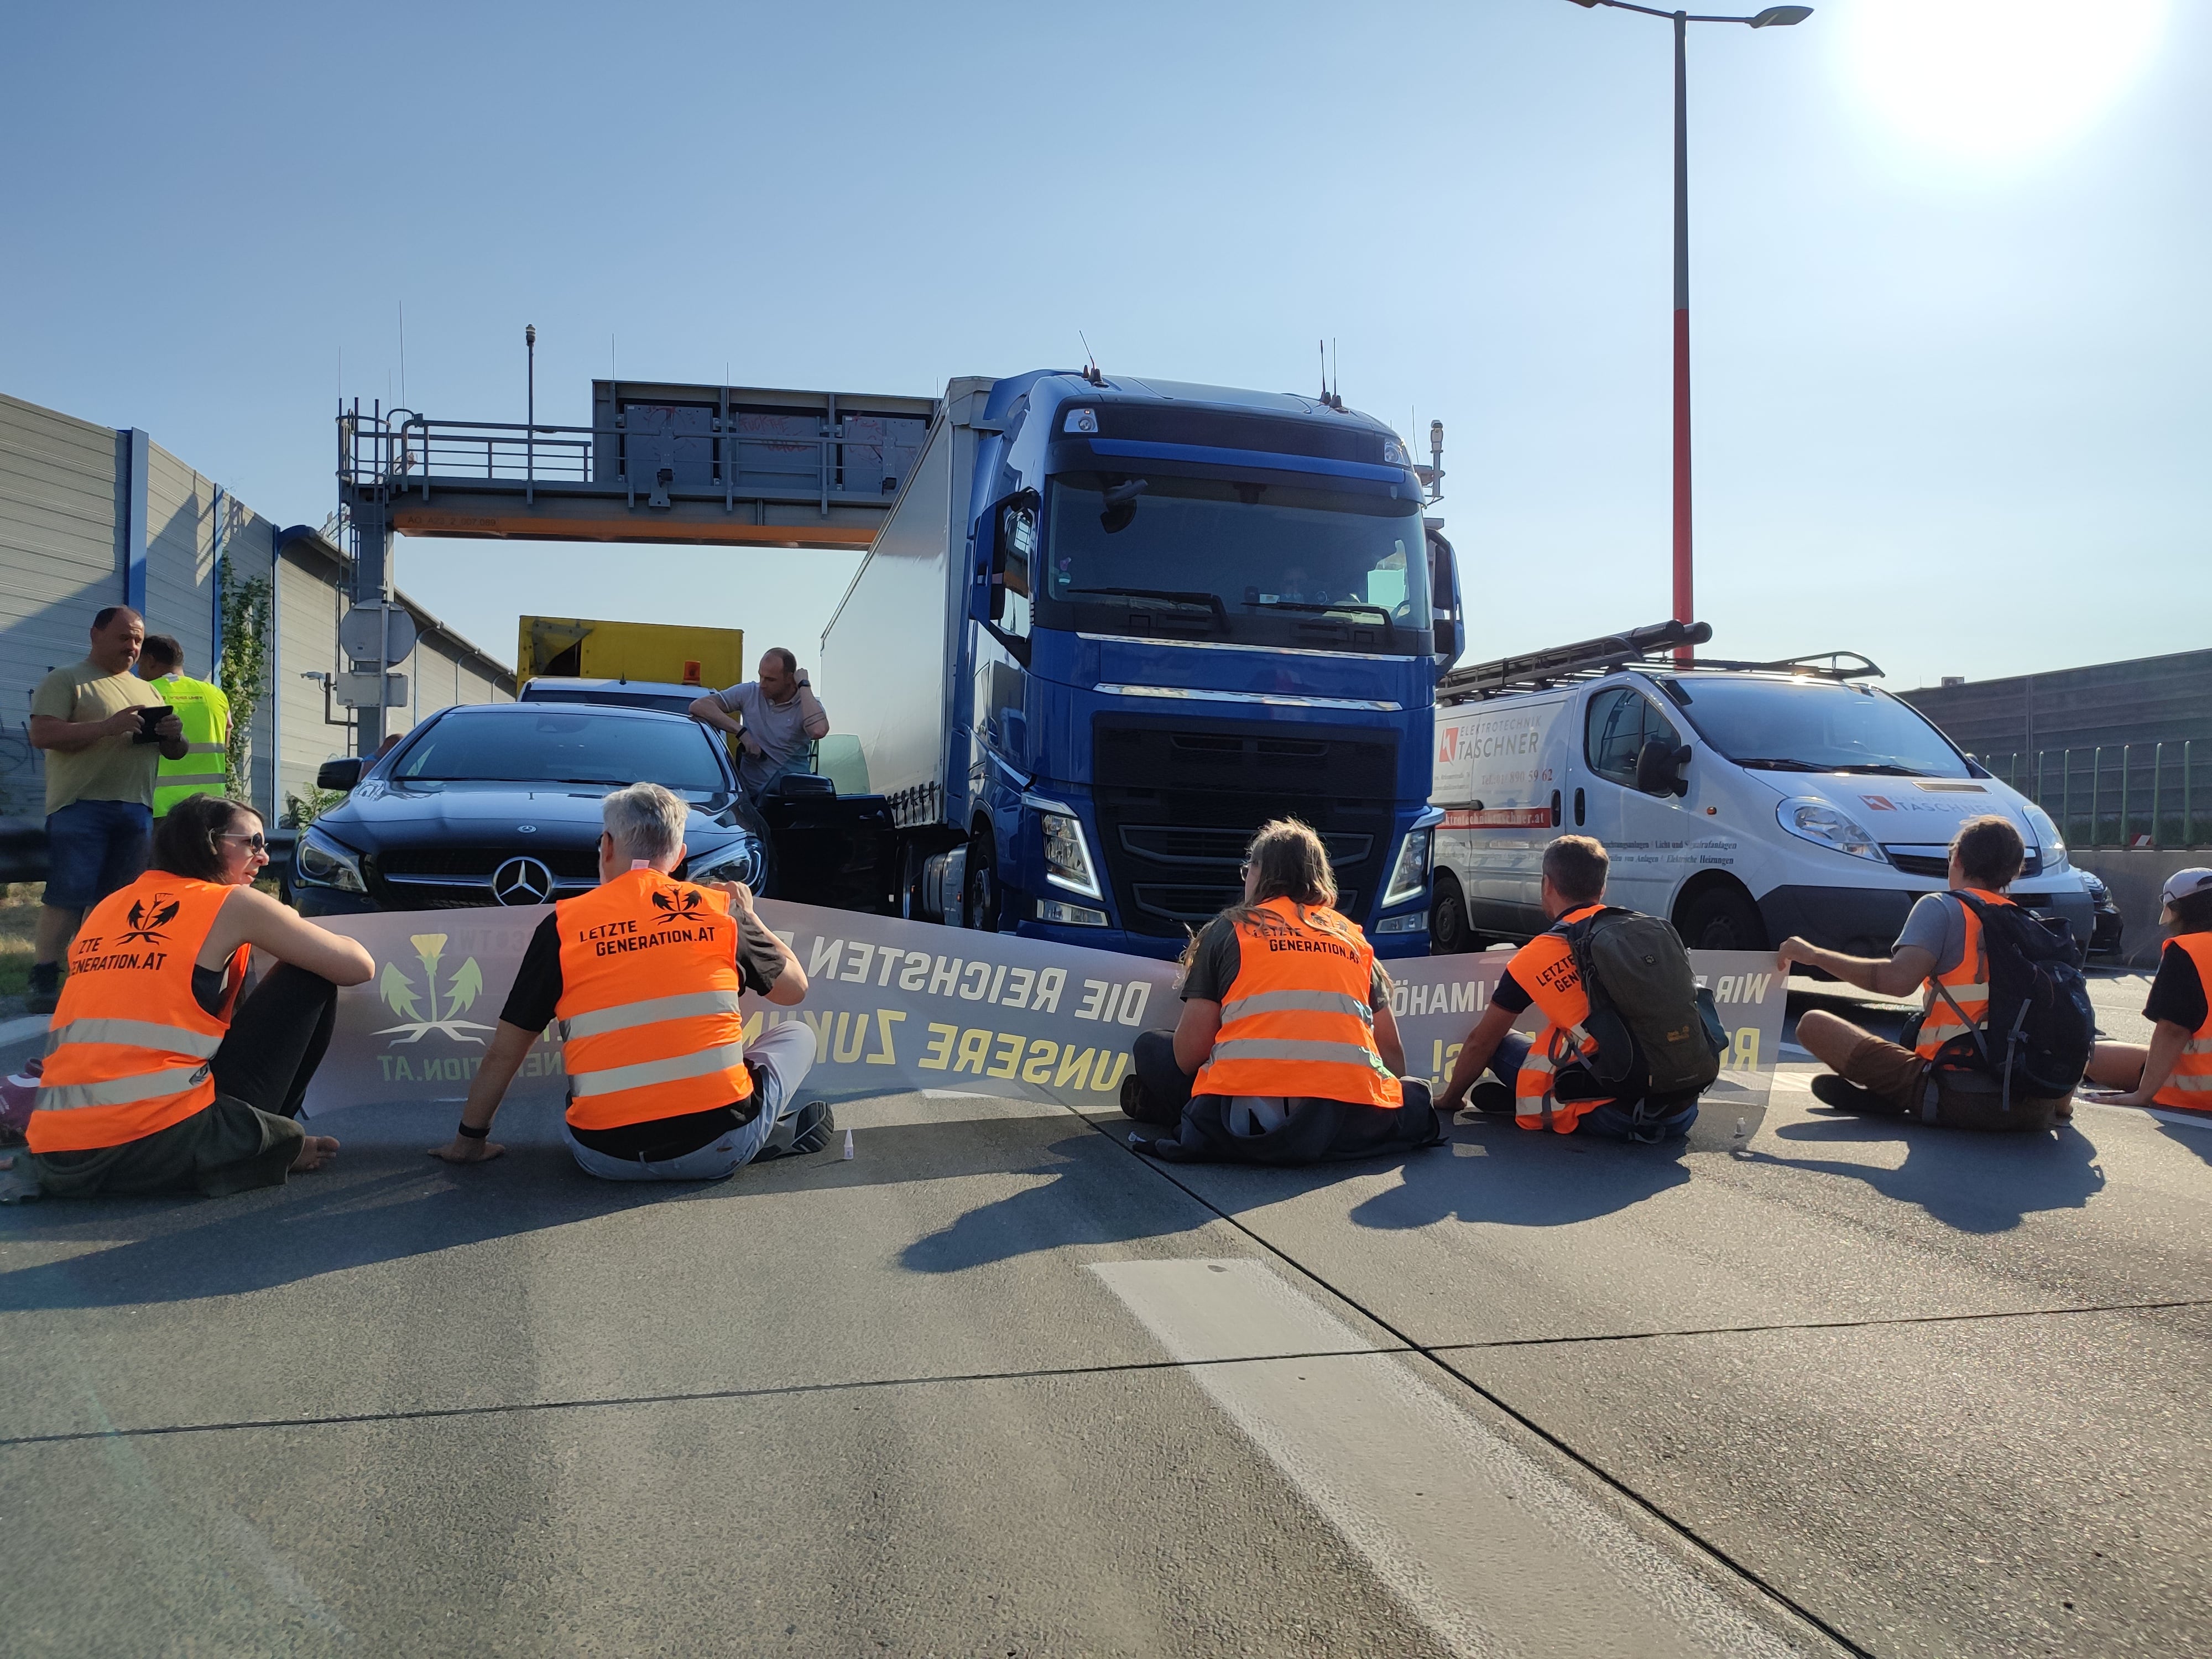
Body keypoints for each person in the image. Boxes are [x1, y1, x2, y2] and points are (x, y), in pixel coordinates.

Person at [430, 781, 824, 1179]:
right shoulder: (720, 912)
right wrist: (750, 916)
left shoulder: (563, 928)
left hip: (603, 1158)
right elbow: (795, 989)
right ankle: (752, 1130)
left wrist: (469, 1143)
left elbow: (505, 1052)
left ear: (606, 846)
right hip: (717, 1148)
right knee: (797, 1035)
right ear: (679, 856)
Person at [20, 795, 372, 1198]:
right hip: (154, 1143)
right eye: (252, 843)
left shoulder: (108, 906)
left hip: (59, 1148)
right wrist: (303, 929)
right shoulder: (230, 902)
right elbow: (356, 967)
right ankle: (260, 1143)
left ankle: (254, 1136)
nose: (263, 857)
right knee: (310, 974)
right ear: (210, 843)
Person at [1121, 817, 1441, 1165]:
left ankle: (1166, 1107)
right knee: (1409, 1093)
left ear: (1261, 873)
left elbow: (1187, 1056)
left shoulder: (1232, 930)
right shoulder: (1353, 938)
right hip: (1349, 1122)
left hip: (1243, 1120)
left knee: (1151, 1047)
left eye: (1248, 870)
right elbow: (1392, 1058)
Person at [1778, 815, 2069, 1131]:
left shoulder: (1942, 908)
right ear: (2015, 871)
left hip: (1956, 1095)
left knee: (1813, 1025)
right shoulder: (2032, 925)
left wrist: (1815, 956)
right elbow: (2069, 1022)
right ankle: (1893, 1091)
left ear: (1957, 858)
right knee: (1912, 1030)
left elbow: (1895, 981)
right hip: (2034, 1105)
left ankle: (1896, 1092)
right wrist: (2059, 1105)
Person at [1435, 835, 1701, 1141]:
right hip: (1682, 1109)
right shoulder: (1651, 930)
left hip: (1613, 1116)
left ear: (1547, 884)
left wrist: (1450, 1100)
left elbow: (1481, 1042)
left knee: (1501, 1042)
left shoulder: (1539, 952)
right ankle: (1532, 1102)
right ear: (1602, 888)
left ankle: (1538, 1103)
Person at [25, 606, 189, 1014]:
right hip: (80, 806)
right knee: (67, 895)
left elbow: (175, 753)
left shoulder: (148, 691)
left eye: (137, 639)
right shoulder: (66, 680)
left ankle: (99, 977)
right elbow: (42, 734)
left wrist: (174, 736)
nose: (132, 646)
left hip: (135, 807)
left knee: (117, 903)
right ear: (95, 635)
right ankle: (44, 977)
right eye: (124, 637)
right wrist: (106, 727)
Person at [2079, 868, 2212, 1112]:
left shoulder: (2187, 950)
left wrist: (2142, 1095)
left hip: (2199, 1090)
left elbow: (2173, 1031)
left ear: (2176, 911)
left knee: (2089, 1055)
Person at [687, 648, 830, 797]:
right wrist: (742, 732)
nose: (762, 684)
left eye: (770, 680)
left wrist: (804, 686)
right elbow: (698, 706)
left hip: (789, 798)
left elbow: (818, 731)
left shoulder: (806, 705)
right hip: (750, 798)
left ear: (790, 678)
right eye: (761, 676)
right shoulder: (750, 693)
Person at [136, 634, 231, 819]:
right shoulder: (215, 694)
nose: (139, 672)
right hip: (212, 804)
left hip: (161, 807)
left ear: (150, 660)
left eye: (139, 664)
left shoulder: (146, 692)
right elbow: (228, 730)